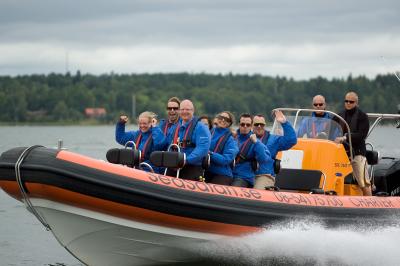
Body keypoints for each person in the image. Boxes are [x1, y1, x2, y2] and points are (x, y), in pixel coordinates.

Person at [335, 91, 371, 196]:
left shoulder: (362, 116)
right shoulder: (339, 115)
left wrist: (345, 137)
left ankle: (370, 203)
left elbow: (362, 135)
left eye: (351, 101)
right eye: (346, 101)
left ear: (356, 103)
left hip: (357, 153)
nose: (348, 103)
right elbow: (331, 129)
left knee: (363, 182)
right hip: (341, 153)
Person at [167, 99, 211, 181]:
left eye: (187, 109)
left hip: (192, 166)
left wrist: (185, 161)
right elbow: (169, 145)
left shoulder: (201, 128)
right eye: (182, 109)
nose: (184, 112)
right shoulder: (175, 127)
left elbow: (202, 149)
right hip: (174, 164)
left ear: (193, 111)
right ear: (179, 111)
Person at [252, 111, 297, 189]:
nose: (259, 126)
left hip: (265, 175)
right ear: (252, 126)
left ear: (264, 126)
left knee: (258, 192)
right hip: (247, 174)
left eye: (261, 124)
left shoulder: (273, 140)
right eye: (256, 124)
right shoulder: (246, 138)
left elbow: (291, 140)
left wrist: (284, 123)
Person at [231, 114, 272, 188]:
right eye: (242, 124)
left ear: (251, 126)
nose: (245, 126)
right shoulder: (233, 138)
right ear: (239, 125)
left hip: (244, 177)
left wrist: (256, 143)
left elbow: (263, 159)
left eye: (248, 125)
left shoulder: (256, 142)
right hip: (230, 173)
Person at [205, 111, 239, 185]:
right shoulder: (209, 132)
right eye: (221, 117)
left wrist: (210, 154)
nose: (223, 120)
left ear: (229, 123)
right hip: (206, 170)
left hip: (222, 174)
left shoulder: (231, 140)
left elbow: (225, 159)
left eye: (226, 119)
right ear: (217, 119)